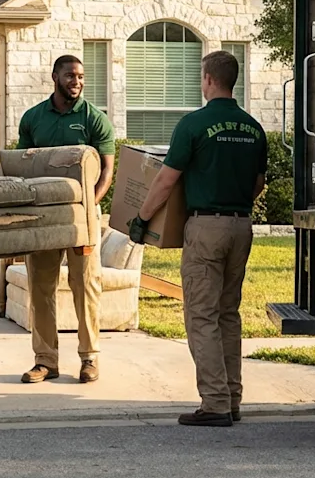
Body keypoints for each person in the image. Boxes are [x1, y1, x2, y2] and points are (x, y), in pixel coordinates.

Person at [128, 50, 266, 427]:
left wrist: (141, 219)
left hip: (206, 228)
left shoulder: (194, 125)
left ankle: (215, 403)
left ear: (207, 80)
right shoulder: (254, 128)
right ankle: (232, 398)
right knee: (228, 314)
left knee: (202, 315)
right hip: (241, 226)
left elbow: (165, 180)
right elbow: (258, 184)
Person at [15, 54, 117, 384]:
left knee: (85, 285)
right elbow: (24, 166)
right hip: (44, 217)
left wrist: (88, 208)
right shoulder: (33, 118)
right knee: (40, 286)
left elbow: (106, 172)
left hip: (82, 218)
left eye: (81, 76)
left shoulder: (95, 119)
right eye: (71, 76)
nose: (77, 82)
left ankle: (89, 358)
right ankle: (45, 361)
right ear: (55, 77)